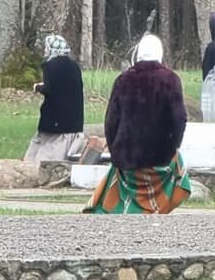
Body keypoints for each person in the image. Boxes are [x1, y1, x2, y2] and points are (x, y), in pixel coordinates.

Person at [84, 35, 192, 214]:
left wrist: (114, 150)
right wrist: (174, 146)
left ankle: (125, 208)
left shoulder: (122, 80)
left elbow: (111, 120)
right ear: (160, 53)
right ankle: (156, 207)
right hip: (160, 157)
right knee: (178, 166)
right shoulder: (171, 79)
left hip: (127, 157)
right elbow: (179, 118)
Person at [24, 34, 85, 165]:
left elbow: (50, 89)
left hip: (56, 119)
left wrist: (38, 87)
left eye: (46, 47)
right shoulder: (74, 66)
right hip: (74, 118)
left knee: (46, 150)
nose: (45, 50)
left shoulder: (51, 66)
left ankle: (33, 166)